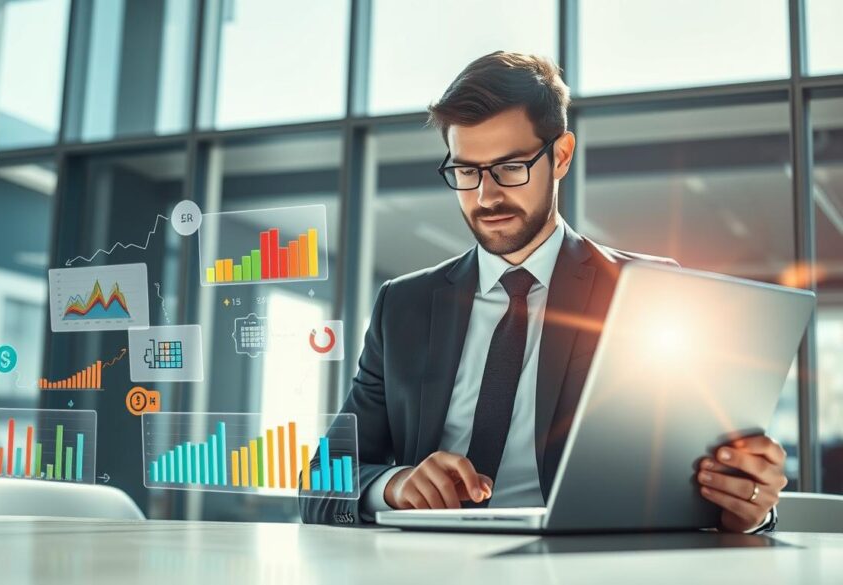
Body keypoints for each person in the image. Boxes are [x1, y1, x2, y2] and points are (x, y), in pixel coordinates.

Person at [300, 51, 785, 532]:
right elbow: (318, 483)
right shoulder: (402, 306)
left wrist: (748, 506)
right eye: (466, 172)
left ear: (562, 155)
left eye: (511, 167)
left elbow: (712, 479)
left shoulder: (648, 295)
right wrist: (394, 486)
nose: (486, 196)